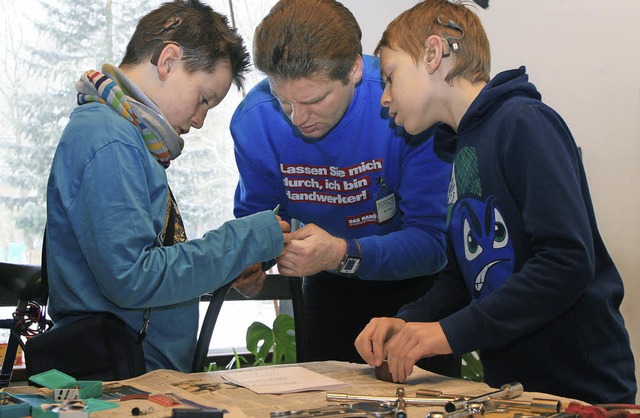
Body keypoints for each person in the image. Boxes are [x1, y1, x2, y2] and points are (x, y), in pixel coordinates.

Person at [354, 0, 636, 404]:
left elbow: (566, 262)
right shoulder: (459, 149)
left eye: (390, 76)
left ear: (433, 55)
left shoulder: (524, 123)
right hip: (513, 388)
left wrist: (447, 335)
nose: (384, 97)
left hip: (580, 389)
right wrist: (408, 322)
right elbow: (461, 279)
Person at [45, 0, 290, 374]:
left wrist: (228, 266)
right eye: (203, 99)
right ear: (168, 61)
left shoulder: (126, 139)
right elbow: (133, 278)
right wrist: (245, 239)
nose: (199, 120)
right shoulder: (110, 140)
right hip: (121, 371)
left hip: (136, 365)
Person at [230, 0, 459, 376]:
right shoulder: (254, 123)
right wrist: (255, 259)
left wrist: (341, 252)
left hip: (418, 288)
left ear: (354, 68)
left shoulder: (403, 106)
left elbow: (433, 243)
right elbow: (261, 221)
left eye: (314, 100)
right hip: (329, 285)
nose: (297, 119)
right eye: (283, 101)